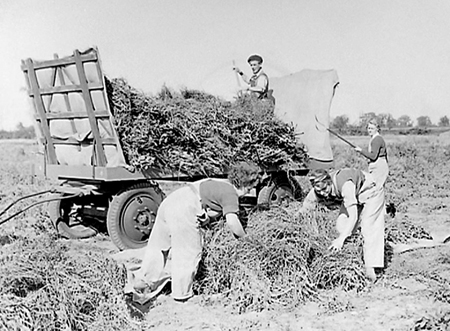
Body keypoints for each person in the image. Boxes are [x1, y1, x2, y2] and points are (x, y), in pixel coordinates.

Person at [124, 162, 261, 304]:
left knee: (158, 247)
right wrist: (246, 238)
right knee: (188, 252)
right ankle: (182, 295)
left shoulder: (220, 183)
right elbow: (232, 222)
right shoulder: (231, 194)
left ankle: (142, 283)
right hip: (186, 208)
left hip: (171, 201)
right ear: (248, 185)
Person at [298, 167, 385, 282]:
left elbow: (353, 215)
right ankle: (355, 252)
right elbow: (306, 207)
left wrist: (340, 240)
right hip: (354, 195)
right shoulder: (318, 187)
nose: (323, 193)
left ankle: (371, 269)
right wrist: (293, 220)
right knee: (341, 225)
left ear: (329, 182)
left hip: (370, 191)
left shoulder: (345, 185)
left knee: (369, 227)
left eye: (325, 189)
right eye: (319, 191)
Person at [354, 119, 389, 190]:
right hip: (377, 165)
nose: (370, 130)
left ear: (377, 129)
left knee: (376, 190)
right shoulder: (374, 139)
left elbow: (373, 156)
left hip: (379, 166)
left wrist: (361, 150)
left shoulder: (377, 139)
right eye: (368, 128)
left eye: (372, 128)